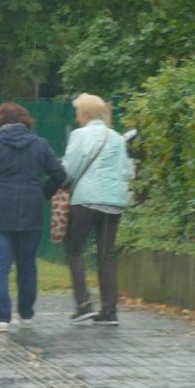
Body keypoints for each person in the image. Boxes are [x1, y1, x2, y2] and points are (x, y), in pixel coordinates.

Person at [0, 101, 66, 331]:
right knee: (27, 266)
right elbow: (59, 175)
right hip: (31, 212)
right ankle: (26, 315)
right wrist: (43, 193)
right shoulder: (40, 145)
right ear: (25, 121)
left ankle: (3, 318)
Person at [60, 92, 135, 327]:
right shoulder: (115, 138)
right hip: (113, 202)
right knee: (106, 254)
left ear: (85, 114)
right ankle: (109, 311)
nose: (77, 118)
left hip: (86, 201)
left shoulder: (79, 135)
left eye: (78, 113)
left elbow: (69, 169)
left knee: (74, 248)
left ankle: (83, 305)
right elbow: (126, 171)